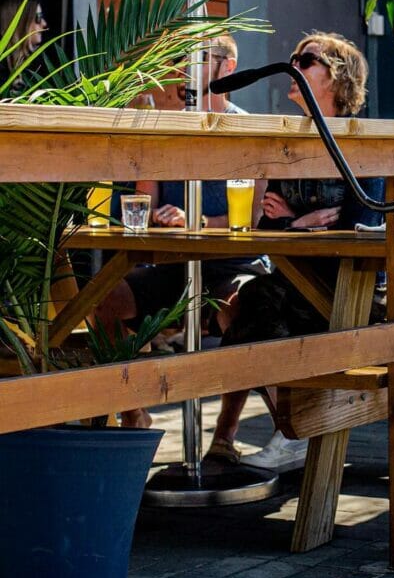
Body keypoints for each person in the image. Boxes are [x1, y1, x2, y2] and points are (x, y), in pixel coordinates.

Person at [207, 31, 384, 471]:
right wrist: (299, 222)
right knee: (245, 303)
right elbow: (269, 222)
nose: (293, 66)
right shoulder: (292, 141)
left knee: (254, 307)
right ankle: (292, 430)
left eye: (305, 61)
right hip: (296, 278)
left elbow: (359, 225)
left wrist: (293, 220)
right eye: (293, 58)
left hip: (350, 289)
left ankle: (292, 430)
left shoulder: (362, 141)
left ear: (337, 77)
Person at [92, 36, 268, 427]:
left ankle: (225, 433)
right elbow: (143, 204)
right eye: (179, 59)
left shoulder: (249, 130)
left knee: (241, 309)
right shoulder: (166, 128)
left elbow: (251, 221)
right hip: (174, 263)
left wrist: (199, 221)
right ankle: (135, 413)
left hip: (231, 263)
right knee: (104, 299)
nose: (182, 67)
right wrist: (160, 215)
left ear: (228, 67)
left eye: (196, 59)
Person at [0, 0, 47, 92]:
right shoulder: (2, 65)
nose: (44, 23)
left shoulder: (38, 64)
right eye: (38, 18)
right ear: (20, 22)